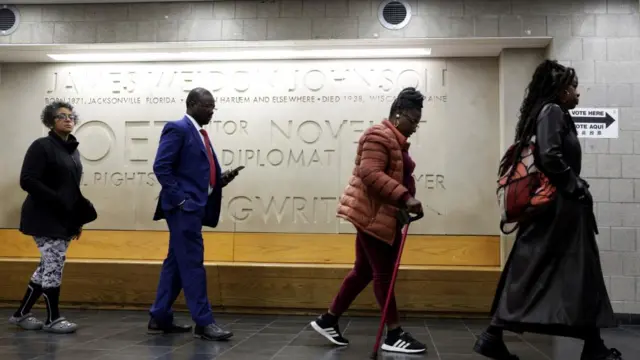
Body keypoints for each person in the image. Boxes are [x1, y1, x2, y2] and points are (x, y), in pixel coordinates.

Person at [473, 60, 622, 360]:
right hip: (559, 210)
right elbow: (550, 156)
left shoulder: (554, 113)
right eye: (573, 87)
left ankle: (591, 344)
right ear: (561, 90)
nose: (578, 93)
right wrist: (576, 185)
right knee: (574, 272)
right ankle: (592, 346)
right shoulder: (552, 112)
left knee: (554, 271)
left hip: (557, 211)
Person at [310, 87, 427, 354]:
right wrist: (405, 197)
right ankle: (394, 333)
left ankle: (328, 319)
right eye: (413, 120)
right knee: (383, 274)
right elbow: (369, 172)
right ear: (398, 114)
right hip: (373, 215)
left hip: (382, 215)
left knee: (364, 270)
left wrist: (404, 202)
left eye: (418, 122)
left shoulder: (394, 140)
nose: (415, 127)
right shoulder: (378, 135)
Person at [148, 87, 240, 341]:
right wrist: (182, 201)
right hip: (183, 210)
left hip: (193, 207)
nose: (211, 111)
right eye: (206, 106)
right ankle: (204, 322)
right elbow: (161, 167)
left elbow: (193, 173)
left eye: (213, 107)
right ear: (191, 104)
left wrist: (218, 181)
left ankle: (159, 315)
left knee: (176, 262)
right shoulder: (177, 128)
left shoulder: (200, 134)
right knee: (193, 264)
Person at [10, 101, 97, 334]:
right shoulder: (41, 146)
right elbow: (27, 180)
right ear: (50, 121)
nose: (68, 119)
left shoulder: (72, 151)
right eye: (61, 116)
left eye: (71, 116)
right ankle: (53, 319)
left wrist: (77, 219)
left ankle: (21, 314)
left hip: (64, 218)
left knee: (48, 265)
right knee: (54, 265)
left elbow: (73, 189)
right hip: (42, 217)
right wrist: (57, 199)